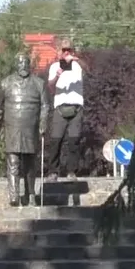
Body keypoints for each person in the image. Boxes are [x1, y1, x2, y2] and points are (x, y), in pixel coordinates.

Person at [0, 53, 49, 206]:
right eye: (20, 63)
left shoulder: (39, 83)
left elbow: (45, 106)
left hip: (31, 127)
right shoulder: (5, 83)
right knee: (13, 162)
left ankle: (30, 194)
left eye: (25, 63)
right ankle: (14, 196)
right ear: (16, 65)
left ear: (29, 65)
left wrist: (43, 123)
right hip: (12, 127)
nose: (23, 65)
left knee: (30, 164)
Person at [45, 39, 85, 180]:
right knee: (56, 140)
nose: (66, 52)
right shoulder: (54, 66)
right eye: (64, 50)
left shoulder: (78, 66)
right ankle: (53, 171)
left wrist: (76, 60)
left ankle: (72, 171)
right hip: (60, 108)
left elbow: (89, 69)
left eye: (69, 50)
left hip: (76, 107)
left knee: (74, 140)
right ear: (59, 52)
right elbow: (50, 87)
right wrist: (58, 74)